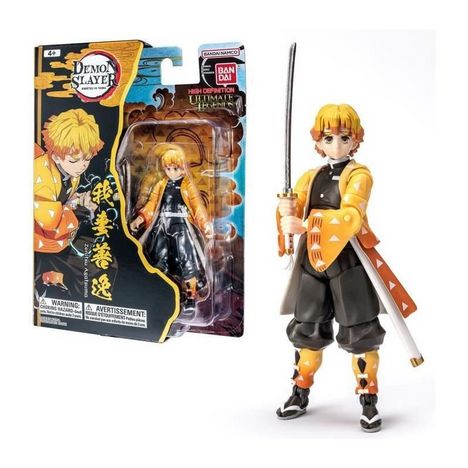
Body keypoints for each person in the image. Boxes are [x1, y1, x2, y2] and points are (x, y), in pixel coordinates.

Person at [276, 104, 416, 432]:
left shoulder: (359, 175)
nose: (336, 145)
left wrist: (305, 222)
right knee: (307, 330)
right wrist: (285, 210)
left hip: (348, 262)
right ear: (318, 141)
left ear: (355, 141)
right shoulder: (310, 176)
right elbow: (295, 208)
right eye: (328, 138)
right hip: (313, 263)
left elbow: (351, 215)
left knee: (361, 333)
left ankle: (368, 399)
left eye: (344, 138)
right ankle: (299, 391)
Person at [130, 143, 211, 315]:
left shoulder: (187, 185)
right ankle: (163, 291)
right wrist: (140, 218)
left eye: (175, 168)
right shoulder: (161, 184)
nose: (172, 172)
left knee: (187, 259)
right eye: (168, 168)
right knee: (160, 257)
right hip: (162, 226)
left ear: (182, 168)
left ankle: (190, 296)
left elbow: (197, 206)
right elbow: (152, 204)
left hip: (181, 227)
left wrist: (205, 225)